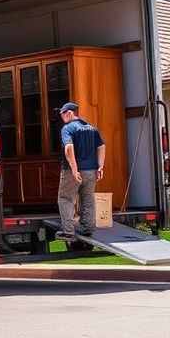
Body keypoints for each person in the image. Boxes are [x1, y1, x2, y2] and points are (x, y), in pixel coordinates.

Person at [56, 102, 105, 241]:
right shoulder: (91, 128)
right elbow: (101, 147)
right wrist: (100, 166)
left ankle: (68, 232)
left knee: (66, 198)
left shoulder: (67, 128)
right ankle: (87, 229)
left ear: (69, 113)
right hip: (91, 171)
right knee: (88, 198)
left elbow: (68, 148)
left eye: (62, 114)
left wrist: (74, 168)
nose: (61, 117)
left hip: (73, 172)